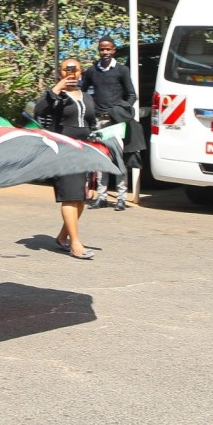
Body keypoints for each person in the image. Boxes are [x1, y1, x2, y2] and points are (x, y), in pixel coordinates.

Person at [34, 57, 97, 260]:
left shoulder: (87, 97)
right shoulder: (55, 97)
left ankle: (63, 237)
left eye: (76, 70)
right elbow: (40, 109)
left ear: (81, 72)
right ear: (60, 72)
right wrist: (57, 88)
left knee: (81, 198)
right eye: (66, 70)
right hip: (63, 151)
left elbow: (92, 123)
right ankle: (75, 243)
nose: (71, 73)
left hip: (84, 151)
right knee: (70, 196)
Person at [81, 36, 142, 212]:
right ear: (98, 50)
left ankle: (121, 198)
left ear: (114, 50)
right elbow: (83, 92)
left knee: (117, 158)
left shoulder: (121, 70)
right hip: (98, 121)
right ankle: (102, 197)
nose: (105, 52)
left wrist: (121, 110)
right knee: (101, 158)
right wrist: (89, 108)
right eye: (102, 49)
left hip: (116, 121)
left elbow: (132, 94)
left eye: (108, 49)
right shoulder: (92, 71)